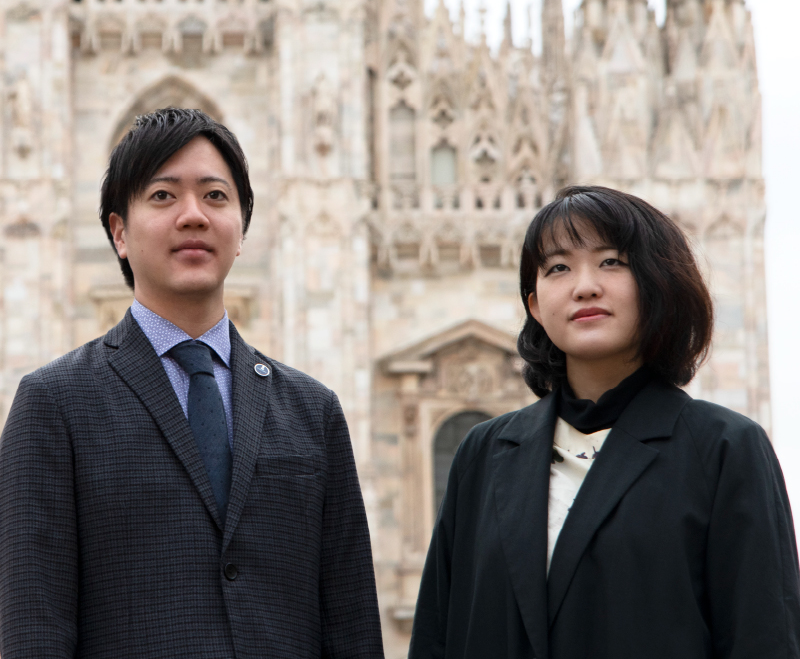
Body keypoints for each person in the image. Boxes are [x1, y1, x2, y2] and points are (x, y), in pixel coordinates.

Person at [0, 109, 385, 659]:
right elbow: (34, 630)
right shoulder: (55, 403)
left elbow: (352, 629)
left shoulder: (312, 410)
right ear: (119, 233)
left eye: (215, 196)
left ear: (242, 230)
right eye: (162, 196)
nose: (193, 216)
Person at [409, 185, 800, 659]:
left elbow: (763, 636)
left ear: (657, 282)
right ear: (535, 304)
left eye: (611, 261)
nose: (584, 285)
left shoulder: (724, 449)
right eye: (558, 268)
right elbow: (437, 635)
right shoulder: (484, 452)